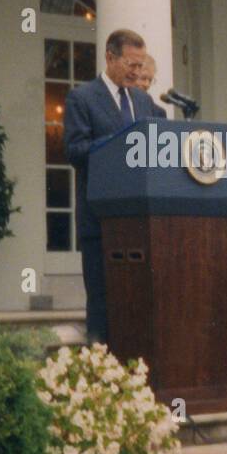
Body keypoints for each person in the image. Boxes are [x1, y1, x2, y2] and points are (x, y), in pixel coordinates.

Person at [63, 29, 160, 343]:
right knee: (103, 300)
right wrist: (118, 144)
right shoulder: (83, 98)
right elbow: (75, 150)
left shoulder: (144, 102)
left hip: (140, 221)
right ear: (109, 58)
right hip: (100, 219)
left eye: (140, 64)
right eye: (131, 64)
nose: (137, 71)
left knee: (137, 300)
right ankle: (102, 372)